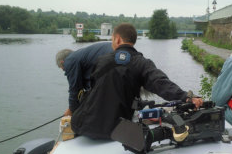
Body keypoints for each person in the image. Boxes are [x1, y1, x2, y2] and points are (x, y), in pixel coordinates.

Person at [71, 23, 202, 140]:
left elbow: (93, 88)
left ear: (117, 39)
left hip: (83, 127)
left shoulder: (101, 60)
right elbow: (160, 83)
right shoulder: (141, 63)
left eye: (112, 40)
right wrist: (186, 97)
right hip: (116, 131)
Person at [56, 42, 113, 116]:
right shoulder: (80, 56)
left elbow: (75, 88)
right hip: (118, 57)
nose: (65, 71)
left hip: (112, 62)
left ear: (62, 62)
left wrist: (71, 110)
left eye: (63, 69)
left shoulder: (70, 61)